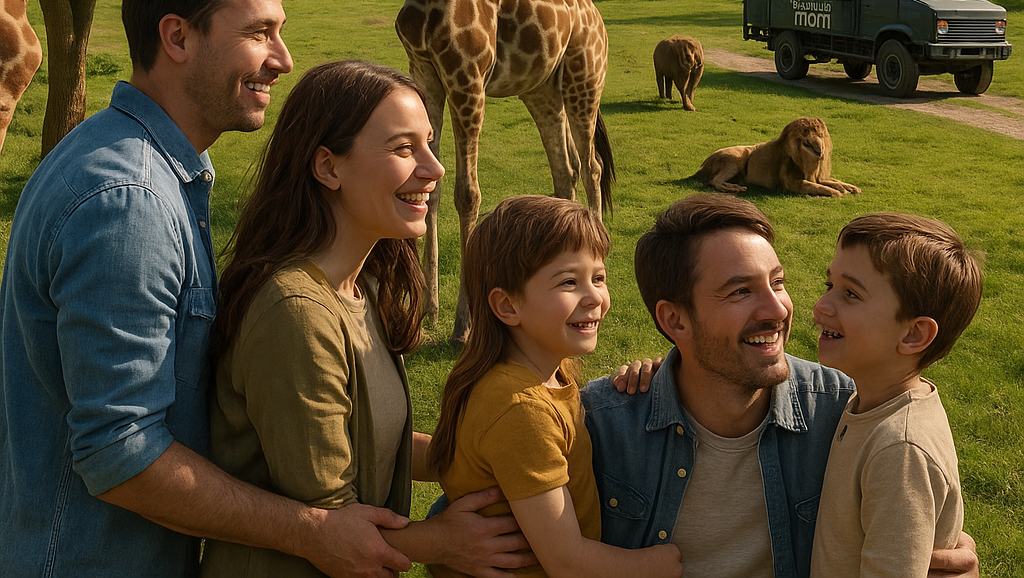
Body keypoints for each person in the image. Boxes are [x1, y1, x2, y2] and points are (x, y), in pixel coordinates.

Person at [0, 0, 402, 578]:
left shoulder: (147, 168)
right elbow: (120, 452)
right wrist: (315, 533)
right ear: (178, 38)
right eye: (260, 33)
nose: (284, 58)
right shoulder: (127, 201)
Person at [201, 59, 533, 577]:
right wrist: (442, 541)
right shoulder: (297, 315)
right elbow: (334, 525)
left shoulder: (363, 286)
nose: (435, 168)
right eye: (404, 149)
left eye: (427, 143)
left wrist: (516, 449)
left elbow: (383, 446)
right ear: (328, 167)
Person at [581, 194, 979, 578]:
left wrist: (952, 556)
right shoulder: (602, 425)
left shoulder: (842, 411)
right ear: (675, 321)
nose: (779, 310)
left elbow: (911, 508)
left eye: (778, 282)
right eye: (740, 291)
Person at [427, 195, 682, 578]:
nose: (595, 296)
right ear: (508, 306)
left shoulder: (552, 371)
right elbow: (566, 562)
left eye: (598, 277)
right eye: (568, 282)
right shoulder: (520, 409)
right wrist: (659, 565)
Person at [810, 214, 983, 578]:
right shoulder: (868, 401)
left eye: (851, 294)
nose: (822, 306)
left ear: (913, 335)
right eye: (829, 284)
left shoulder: (900, 449)